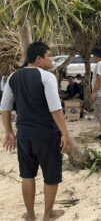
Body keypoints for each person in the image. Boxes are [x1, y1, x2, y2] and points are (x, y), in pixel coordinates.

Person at [0, 41, 69, 221]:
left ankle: (30, 215)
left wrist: (8, 131)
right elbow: (55, 109)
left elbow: (5, 107)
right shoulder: (46, 77)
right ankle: (48, 215)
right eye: (49, 55)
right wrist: (65, 132)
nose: (51, 59)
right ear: (39, 59)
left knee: (27, 175)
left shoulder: (13, 77)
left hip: (23, 135)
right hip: (46, 134)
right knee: (51, 176)